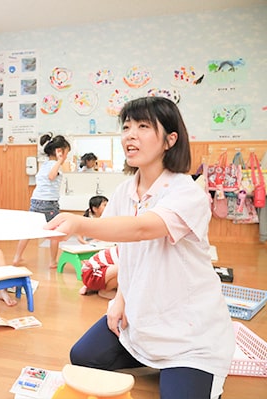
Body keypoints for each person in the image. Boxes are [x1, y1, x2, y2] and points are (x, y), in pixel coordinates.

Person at [46, 96, 235, 399]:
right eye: (126, 126)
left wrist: (80, 224)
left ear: (169, 140)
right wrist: (120, 299)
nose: (130, 134)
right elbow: (129, 252)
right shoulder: (124, 191)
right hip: (141, 319)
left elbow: (142, 228)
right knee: (82, 356)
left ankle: (177, 367)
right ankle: (151, 359)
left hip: (189, 333)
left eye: (143, 126)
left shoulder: (188, 192)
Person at [13, 132, 70, 268]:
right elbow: (51, 176)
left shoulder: (45, 164)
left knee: (28, 230)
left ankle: (17, 257)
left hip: (36, 201)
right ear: (59, 152)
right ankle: (52, 261)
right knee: (55, 232)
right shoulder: (55, 165)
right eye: (66, 153)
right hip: (48, 203)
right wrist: (60, 161)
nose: (66, 156)